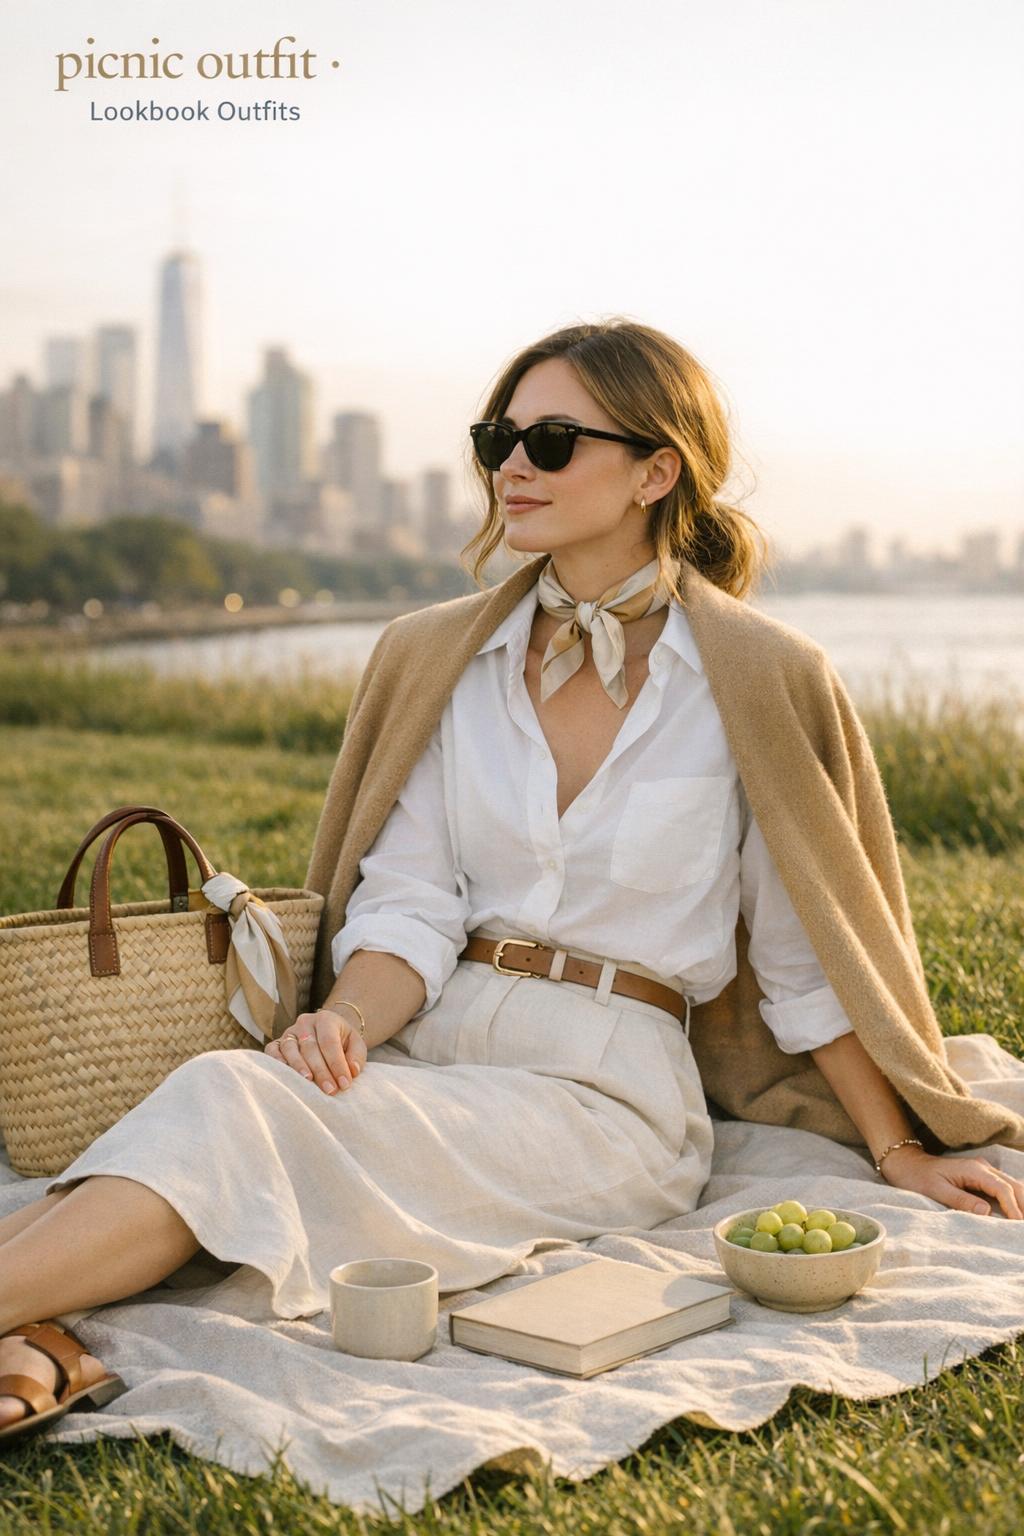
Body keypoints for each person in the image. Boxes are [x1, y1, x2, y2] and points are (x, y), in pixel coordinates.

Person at [1, 318, 1022, 1441]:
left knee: (237, 1117)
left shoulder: (757, 677)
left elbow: (805, 953)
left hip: (606, 1087)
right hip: (427, 1028)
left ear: (655, 469)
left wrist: (896, 1148)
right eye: (499, 438)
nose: (511, 469)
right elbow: (410, 901)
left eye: (548, 440)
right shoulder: (442, 656)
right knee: (225, 1093)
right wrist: (341, 1019)